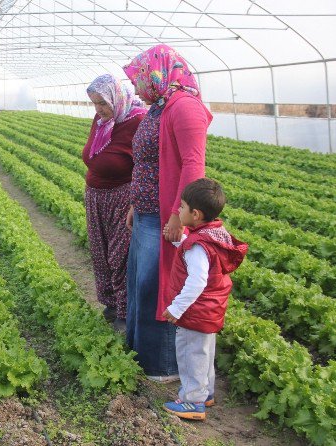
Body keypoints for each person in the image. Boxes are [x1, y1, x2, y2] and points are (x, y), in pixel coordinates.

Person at [123, 44, 213, 382]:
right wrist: (135, 202)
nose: (134, 87)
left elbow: (194, 165)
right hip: (147, 212)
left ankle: (162, 365)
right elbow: (146, 162)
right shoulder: (159, 106)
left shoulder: (185, 106)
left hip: (165, 217)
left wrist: (178, 215)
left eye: (137, 79)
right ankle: (138, 351)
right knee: (139, 284)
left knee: (160, 285)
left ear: (156, 73)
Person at [161, 178, 248, 420]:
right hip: (211, 309)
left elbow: (197, 280)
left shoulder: (199, 246)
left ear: (195, 214)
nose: (178, 210)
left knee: (191, 356)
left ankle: (192, 402)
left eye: (182, 206)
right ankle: (206, 393)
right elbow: (205, 258)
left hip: (195, 311)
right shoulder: (214, 234)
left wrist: (177, 308)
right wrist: (180, 241)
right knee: (204, 354)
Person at [82, 74, 146, 331]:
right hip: (96, 195)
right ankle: (109, 302)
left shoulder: (137, 120)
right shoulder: (101, 121)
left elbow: (144, 164)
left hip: (122, 196)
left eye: (103, 103)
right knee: (100, 252)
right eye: (94, 103)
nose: (98, 109)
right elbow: (93, 153)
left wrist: (136, 200)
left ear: (117, 98)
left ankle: (124, 310)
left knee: (120, 255)